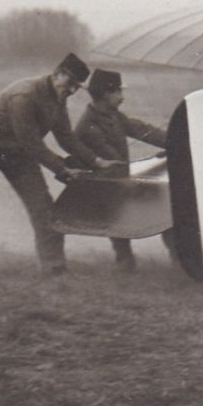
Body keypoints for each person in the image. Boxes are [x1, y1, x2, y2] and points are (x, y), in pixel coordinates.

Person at [0, 54, 116, 278]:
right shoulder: (24, 95)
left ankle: (55, 270)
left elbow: (66, 137)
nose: (72, 91)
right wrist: (62, 169)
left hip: (18, 154)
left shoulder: (59, 99)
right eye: (70, 84)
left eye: (76, 87)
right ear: (58, 74)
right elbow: (31, 143)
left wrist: (97, 161)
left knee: (44, 207)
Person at [74, 68, 170, 272]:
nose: (122, 97)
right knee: (128, 210)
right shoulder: (88, 126)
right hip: (104, 186)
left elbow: (141, 129)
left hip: (119, 179)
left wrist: (173, 142)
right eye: (118, 92)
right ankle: (124, 261)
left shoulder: (113, 115)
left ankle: (175, 257)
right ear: (106, 94)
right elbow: (113, 162)